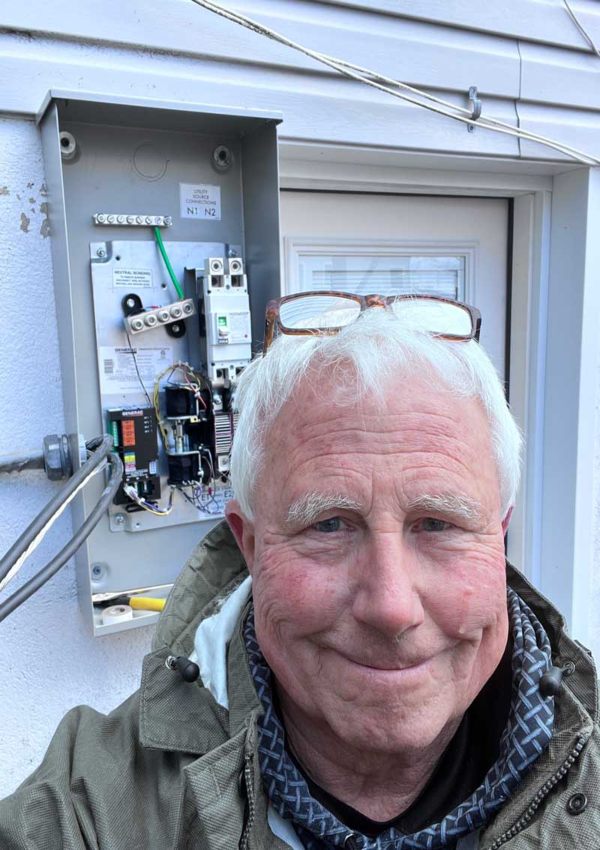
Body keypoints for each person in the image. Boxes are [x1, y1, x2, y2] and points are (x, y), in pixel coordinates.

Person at [1, 293, 598, 850]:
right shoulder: (91, 809)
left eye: (438, 524)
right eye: (329, 525)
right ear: (251, 546)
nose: (391, 607)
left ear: (498, 536)